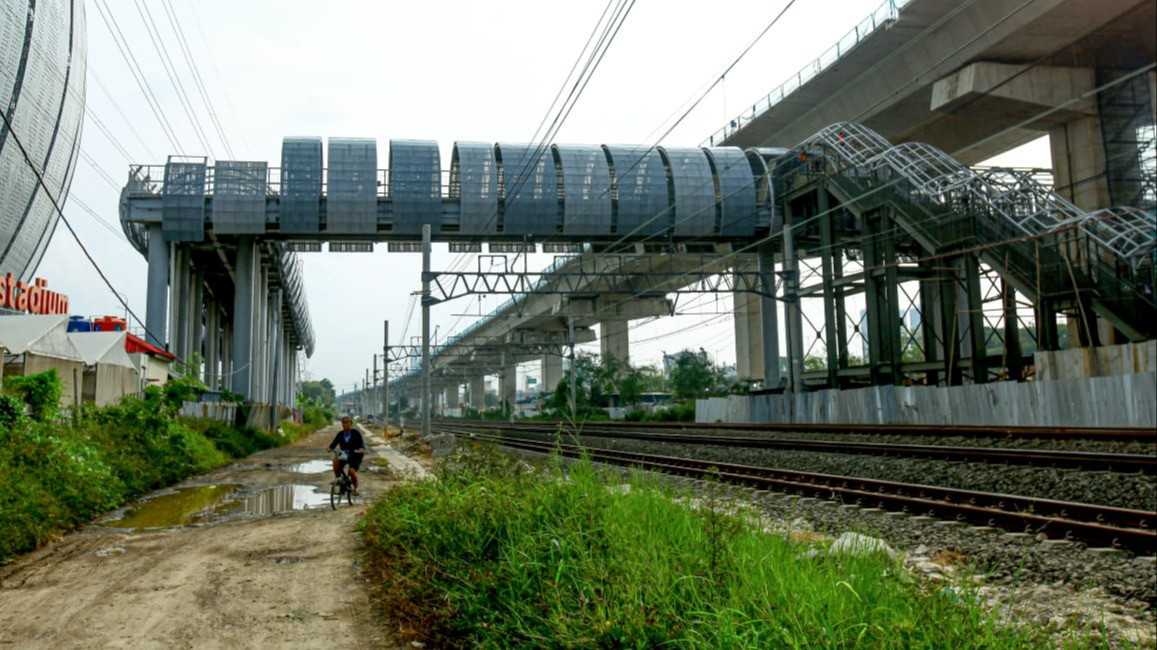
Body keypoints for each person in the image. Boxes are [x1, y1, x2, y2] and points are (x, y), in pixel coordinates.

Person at [328, 417, 366, 495]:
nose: (346, 424)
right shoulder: (340, 434)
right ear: (342, 424)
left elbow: (362, 444)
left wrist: (361, 449)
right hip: (345, 454)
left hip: (356, 455)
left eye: (348, 422)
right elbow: (334, 444)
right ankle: (338, 478)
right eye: (344, 423)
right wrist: (330, 448)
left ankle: (356, 488)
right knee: (336, 460)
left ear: (351, 424)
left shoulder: (356, 433)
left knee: (351, 471)